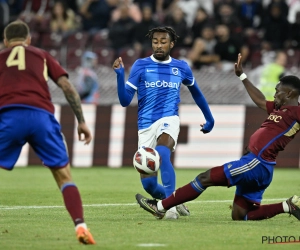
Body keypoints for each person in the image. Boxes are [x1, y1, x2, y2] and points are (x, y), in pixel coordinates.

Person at [135, 53, 300, 222]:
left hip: (256, 163)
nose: (274, 95)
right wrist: (242, 76)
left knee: (204, 178)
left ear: (288, 94)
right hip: (260, 166)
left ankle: (160, 207)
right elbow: (259, 100)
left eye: (277, 91)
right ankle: (288, 206)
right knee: (240, 215)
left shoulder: (297, 112)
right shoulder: (278, 109)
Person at [0, 20, 95, 244]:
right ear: (29, 40)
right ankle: (81, 226)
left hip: (9, 117)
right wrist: (81, 121)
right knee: (64, 176)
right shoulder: (41, 54)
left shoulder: (1, 57)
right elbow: (67, 87)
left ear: (5, 42)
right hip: (41, 117)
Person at [112, 26, 215, 219]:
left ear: (171, 44)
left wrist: (210, 119)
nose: (159, 46)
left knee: (162, 153)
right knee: (149, 185)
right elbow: (125, 101)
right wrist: (120, 77)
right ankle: (175, 199)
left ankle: (171, 209)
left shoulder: (181, 67)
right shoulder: (140, 65)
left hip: (169, 119)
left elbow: (198, 94)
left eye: (163, 42)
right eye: (155, 42)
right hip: (145, 125)